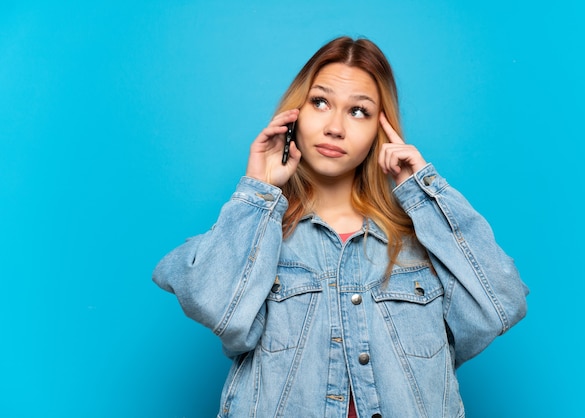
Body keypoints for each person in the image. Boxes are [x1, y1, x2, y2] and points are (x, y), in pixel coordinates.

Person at [153, 36, 528, 418]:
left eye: (359, 111)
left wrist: (424, 192)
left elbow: (499, 305)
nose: (335, 127)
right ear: (295, 114)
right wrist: (259, 191)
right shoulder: (257, 236)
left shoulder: (420, 242)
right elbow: (220, 311)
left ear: (380, 132)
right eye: (320, 102)